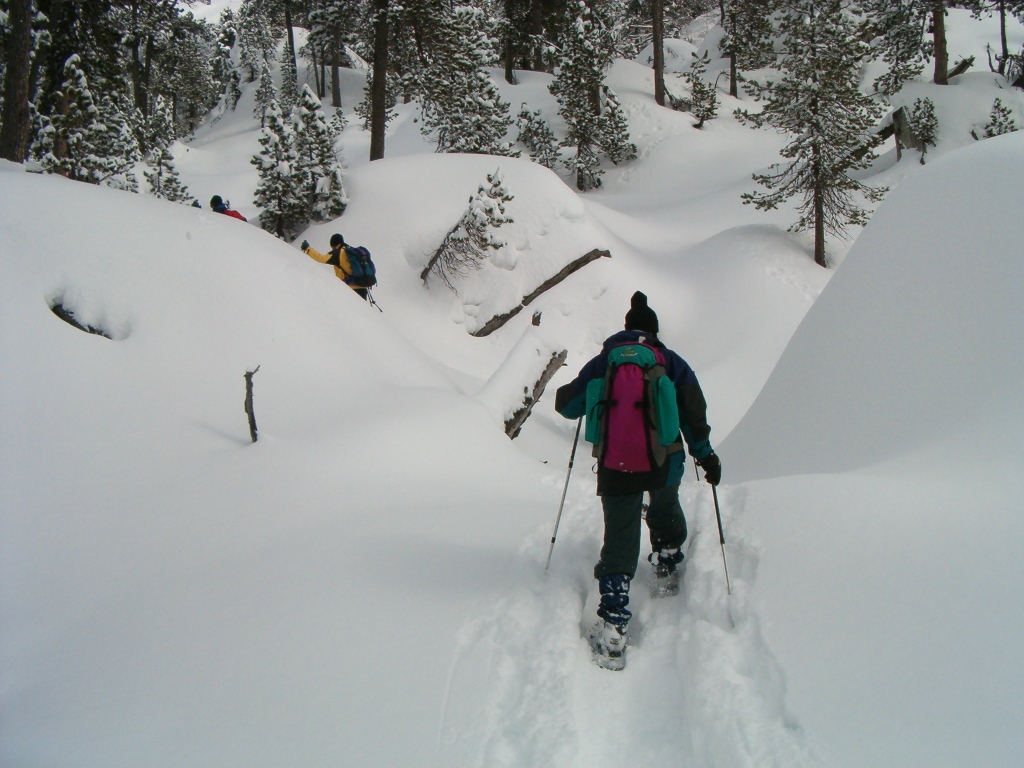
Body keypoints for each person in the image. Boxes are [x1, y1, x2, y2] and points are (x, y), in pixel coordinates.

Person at [554, 291, 721, 670]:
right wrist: (705, 453)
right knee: (665, 505)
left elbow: (568, 405)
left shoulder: (604, 361)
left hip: (615, 465)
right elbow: (694, 412)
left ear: (626, 329)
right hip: (665, 460)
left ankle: (614, 622)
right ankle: (666, 562)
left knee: (620, 535)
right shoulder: (670, 361)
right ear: (654, 331)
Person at [300, 234, 370, 301]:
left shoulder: (338, 253)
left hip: (350, 288)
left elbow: (321, 258)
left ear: (333, 244)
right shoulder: (351, 251)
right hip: (363, 286)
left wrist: (307, 248)